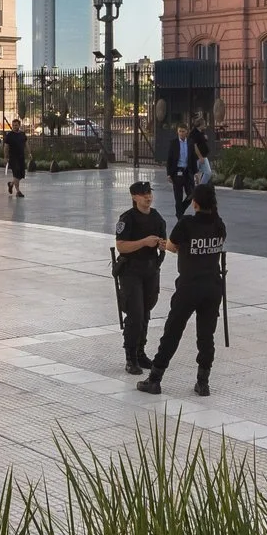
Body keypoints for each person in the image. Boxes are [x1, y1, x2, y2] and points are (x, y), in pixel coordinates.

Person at [138, 184, 226, 397]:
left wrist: (166, 244)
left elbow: (172, 246)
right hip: (213, 287)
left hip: (189, 287)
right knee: (206, 336)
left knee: (173, 332)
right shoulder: (219, 224)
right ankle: (203, 382)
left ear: (195, 203)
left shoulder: (186, 223)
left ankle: (155, 379)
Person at [113, 179, 169, 374]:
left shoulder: (156, 218)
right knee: (135, 314)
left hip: (150, 270)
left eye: (149, 193)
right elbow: (121, 245)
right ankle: (130, 356)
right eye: (143, 193)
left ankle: (140, 351)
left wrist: (162, 246)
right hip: (131, 271)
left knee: (145, 312)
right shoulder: (127, 218)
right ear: (134, 197)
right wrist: (144, 242)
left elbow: (165, 242)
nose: (148, 197)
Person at [166, 120, 201, 219]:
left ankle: (180, 210)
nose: (181, 133)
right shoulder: (173, 143)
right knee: (178, 196)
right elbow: (170, 159)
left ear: (187, 132)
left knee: (191, 194)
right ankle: (179, 217)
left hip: (188, 171)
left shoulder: (190, 142)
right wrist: (169, 174)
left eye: (183, 131)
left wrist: (196, 173)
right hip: (177, 172)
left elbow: (193, 158)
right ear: (177, 132)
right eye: (180, 131)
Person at [3, 119, 29, 198]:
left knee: (21, 175)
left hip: (21, 157)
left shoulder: (22, 134)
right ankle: (18, 191)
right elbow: (6, 147)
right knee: (16, 173)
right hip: (13, 158)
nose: (14, 127)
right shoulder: (9, 135)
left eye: (16, 125)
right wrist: (5, 157)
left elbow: (26, 144)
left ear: (19, 125)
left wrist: (30, 153)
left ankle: (11, 184)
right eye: (13, 125)